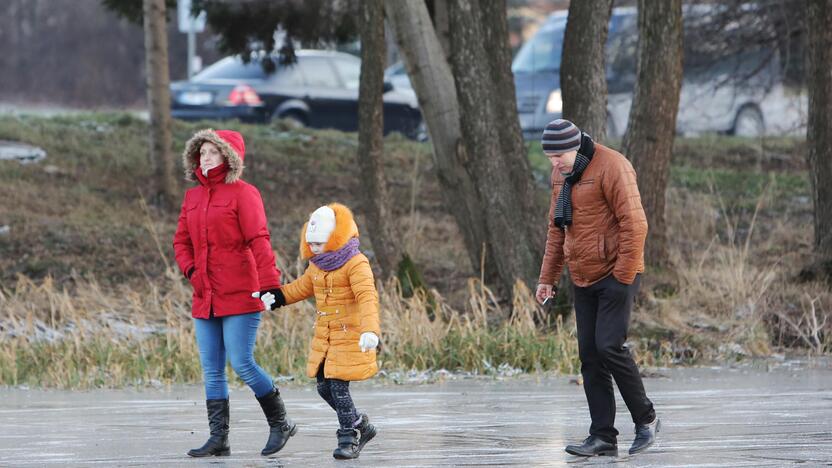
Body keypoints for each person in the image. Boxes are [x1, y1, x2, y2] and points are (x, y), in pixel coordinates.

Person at [535, 119, 660, 457]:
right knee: (590, 357)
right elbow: (557, 229)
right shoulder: (562, 174)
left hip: (617, 273)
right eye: (549, 157)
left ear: (576, 146)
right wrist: (548, 278)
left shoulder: (613, 166)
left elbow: (635, 224)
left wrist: (622, 276)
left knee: (609, 346)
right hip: (582, 275)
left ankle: (646, 420)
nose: (555, 163)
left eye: (559, 155)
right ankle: (603, 437)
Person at [173, 129, 296, 458]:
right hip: (205, 295)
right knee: (211, 369)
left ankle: (281, 423)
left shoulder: (244, 193)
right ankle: (219, 438)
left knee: (241, 362)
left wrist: (271, 284)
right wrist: (191, 271)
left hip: (242, 292)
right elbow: (181, 242)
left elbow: (259, 239)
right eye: (201, 153)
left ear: (228, 156)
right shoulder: (193, 197)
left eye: (212, 152)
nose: (206, 158)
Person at [258, 203, 380, 460]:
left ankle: (349, 437)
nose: (313, 249)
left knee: (338, 386)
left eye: (319, 243)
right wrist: (277, 296)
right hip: (326, 337)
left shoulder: (356, 264)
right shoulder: (318, 266)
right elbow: (301, 287)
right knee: (323, 388)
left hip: (350, 336)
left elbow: (367, 297)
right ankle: (361, 425)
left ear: (335, 238)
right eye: (310, 243)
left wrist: (370, 331)